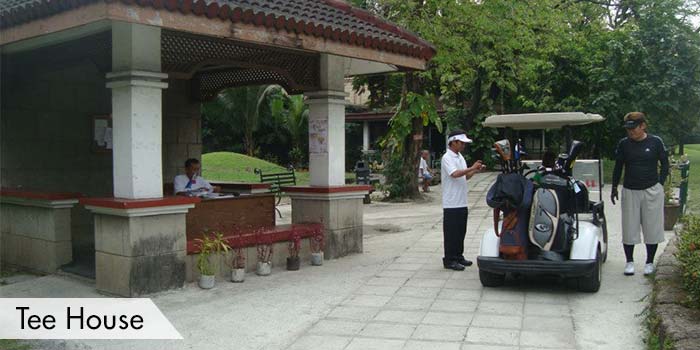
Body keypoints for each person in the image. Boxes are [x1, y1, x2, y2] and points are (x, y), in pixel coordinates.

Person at [611, 112, 669, 276]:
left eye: (634, 128)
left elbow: (664, 163)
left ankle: (649, 262)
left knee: (652, 227)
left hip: (651, 189)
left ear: (643, 125)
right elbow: (618, 166)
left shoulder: (655, 142)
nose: (631, 132)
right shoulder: (624, 144)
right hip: (630, 190)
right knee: (629, 227)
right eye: (628, 129)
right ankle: (629, 262)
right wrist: (614, 187)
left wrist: (660, 183)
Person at [441, 130, 486, 270]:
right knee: (451, 233)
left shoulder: (460, 157)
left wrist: (475, 170)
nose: (463, 146)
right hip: (451, 202)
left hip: (462, 201)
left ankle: (458, 256)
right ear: (453, 142)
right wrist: (471, 168)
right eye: (461, 143)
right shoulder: (447, 157)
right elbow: (454, 174)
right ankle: (449, 259)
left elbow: (465, 176)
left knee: (461, 231)